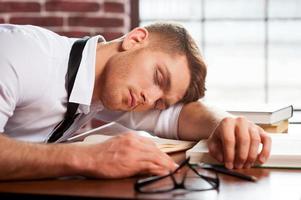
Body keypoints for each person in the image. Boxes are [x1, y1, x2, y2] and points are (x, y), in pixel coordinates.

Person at [0, 22, 271, 181]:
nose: (149, 98)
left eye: (160, 102)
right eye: (158, 77)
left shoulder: (112, 93)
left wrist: (224, 123)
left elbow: (181, 115)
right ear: (135, 39)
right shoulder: (21, 53)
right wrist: (88, 158)